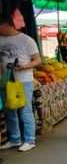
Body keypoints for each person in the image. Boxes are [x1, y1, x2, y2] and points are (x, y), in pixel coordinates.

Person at [0, 10, 40, 152]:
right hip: (6, 81)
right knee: (10, 109)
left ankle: (30, 140)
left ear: (6, 25)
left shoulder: (27, 40)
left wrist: (24, 66)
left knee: (25, 109)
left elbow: (38, 60)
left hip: (23, 80)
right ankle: (15, 139)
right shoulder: (0, 39)